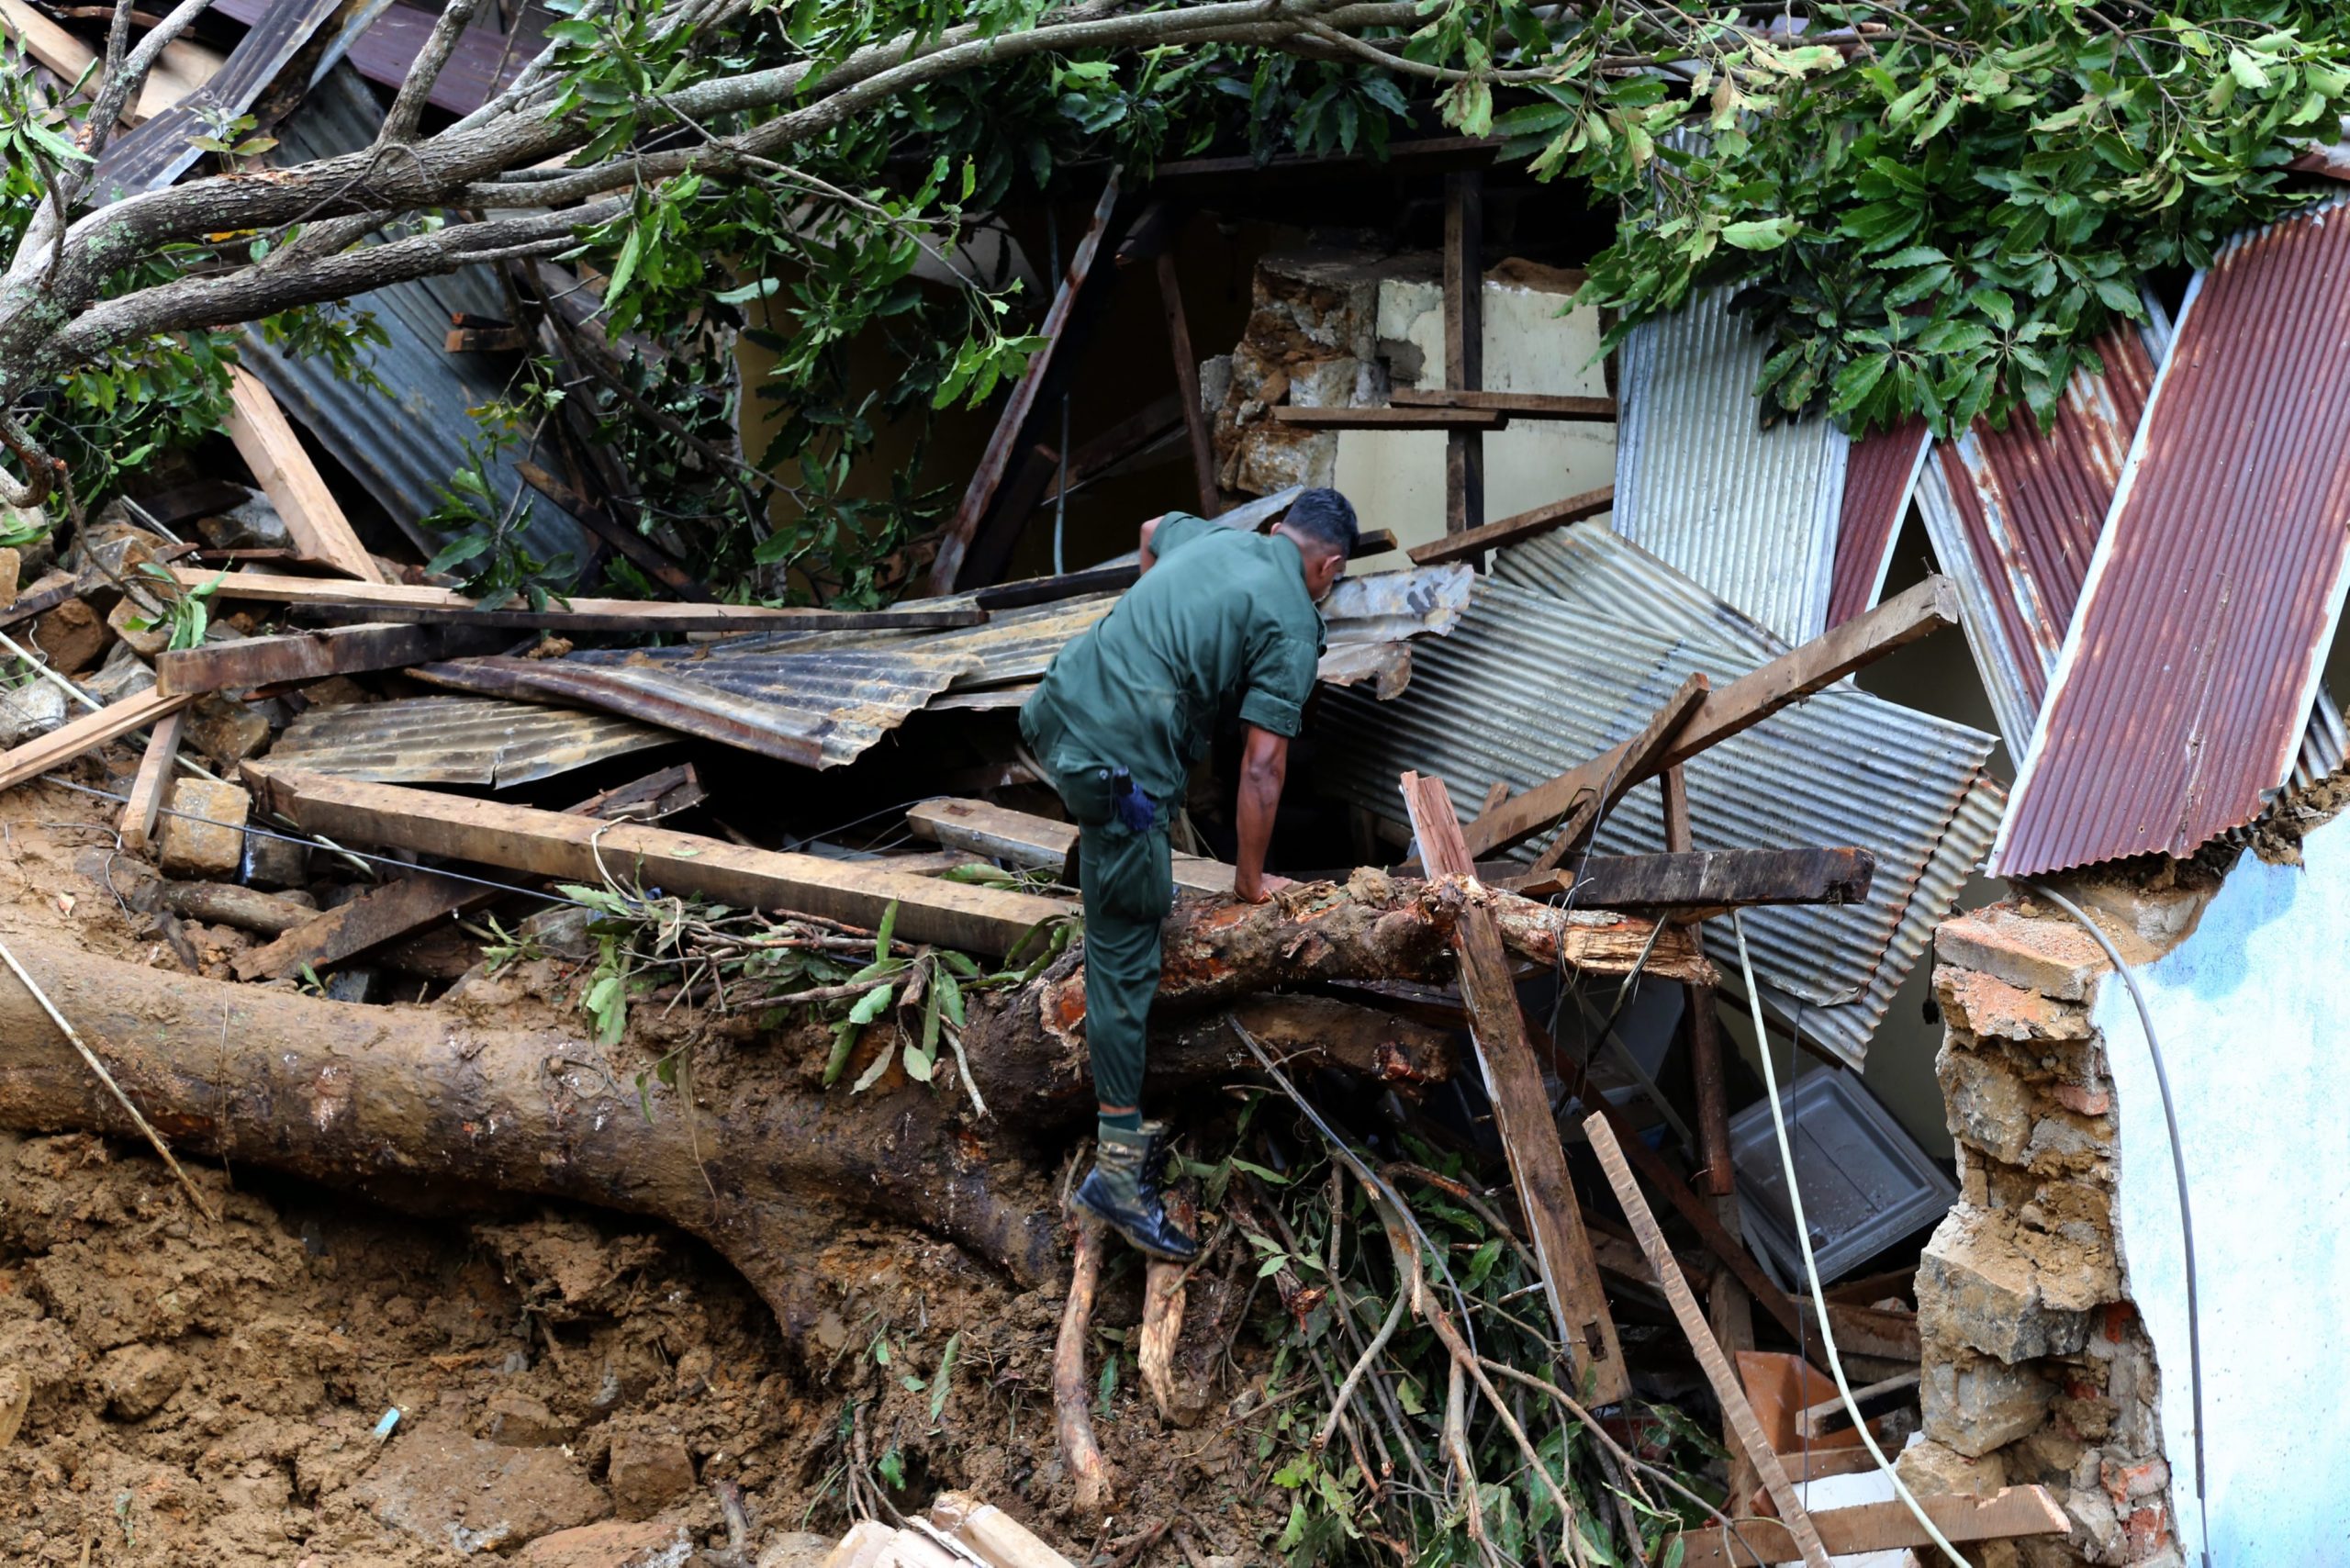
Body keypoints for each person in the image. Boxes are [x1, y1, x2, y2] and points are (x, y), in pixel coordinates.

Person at [1018, 487, 1359, 1260]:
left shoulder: (1215, 539)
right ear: (1328, 566)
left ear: (1279, 528)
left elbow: (1148, 527)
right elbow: (1263, 767)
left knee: (1141, 858)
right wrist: (1250, 883)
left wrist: (1148, 646)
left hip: (1055, 705)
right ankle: (1116, 1173)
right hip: (1113, 765)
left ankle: (1128, 874)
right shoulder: (1293, 622)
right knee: (1125, 955)